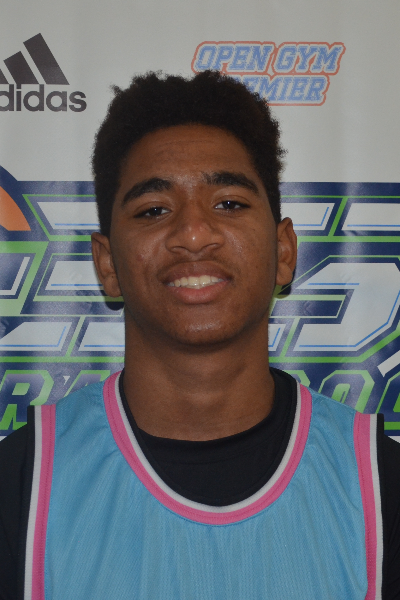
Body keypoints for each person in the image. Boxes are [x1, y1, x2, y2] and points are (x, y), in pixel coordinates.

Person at [0, 70, 399, 600]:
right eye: (154, 210)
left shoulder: (379, 485)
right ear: (107, 264)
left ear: (284, 250)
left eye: (229, 203)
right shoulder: (21, 488)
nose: (192, 233)